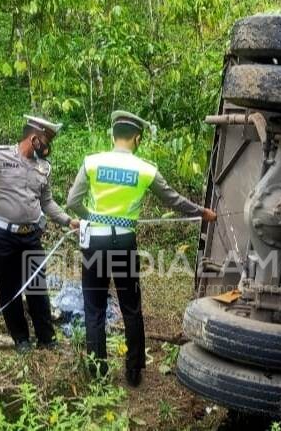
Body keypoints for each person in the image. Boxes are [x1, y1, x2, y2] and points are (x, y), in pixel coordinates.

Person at [67, 110, 216, 386]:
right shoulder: (145, 170)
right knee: (131, 307)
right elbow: (173, 200)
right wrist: (201, 212)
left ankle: (98, 373)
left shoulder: (92, 162)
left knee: (95, 308)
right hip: (124, 243)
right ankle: (134, 372)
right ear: (136, 138)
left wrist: (91, 216)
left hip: (95, 243)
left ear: (113, 135)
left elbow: (72, 201)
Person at [0, 115, 80, 353]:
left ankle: (47, 339)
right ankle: (21, 339)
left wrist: (68, 220)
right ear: (33, 138)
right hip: (0, 237)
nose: (48, 146)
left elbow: (47, 202)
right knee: (9, 289)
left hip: (30, 237)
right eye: (46, 140)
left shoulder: (44, 167)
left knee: (37, 288)